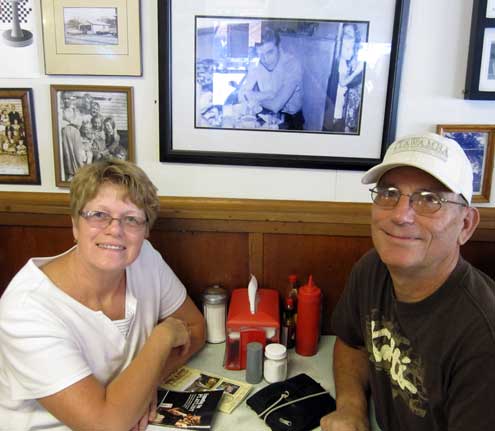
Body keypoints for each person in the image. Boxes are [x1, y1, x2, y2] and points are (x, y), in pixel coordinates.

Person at [0, 159, 206, 430]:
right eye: (98, 215)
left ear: (145, 231)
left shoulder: (144, 258)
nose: (115, 229)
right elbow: (104, 426)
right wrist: (163, 336)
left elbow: (196, 328)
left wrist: (144, 388)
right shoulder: (26, 309)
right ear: (75, 224)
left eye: (131, 219)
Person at [320, 133, 495, 431]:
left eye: (430, 199)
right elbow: (352, 343)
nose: (401, 215)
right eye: (389, 193)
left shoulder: (484, 339)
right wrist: (351, 408)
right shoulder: (372, 269)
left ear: (465, 225)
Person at [238, 27, 304, 130]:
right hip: (265, 116)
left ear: (279, 47)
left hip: (290, 121)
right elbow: (241, 95)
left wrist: (254, 98)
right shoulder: (256, 64)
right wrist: (268, 94)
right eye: (260, 54)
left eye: (270, 52)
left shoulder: (292, 64)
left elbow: (275, 106)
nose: (265, 59)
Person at [323, 23, 364, 133]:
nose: (348, 39)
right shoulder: (341, 58)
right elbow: (342, 82)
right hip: (337, 102)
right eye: (345, 35)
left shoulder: (351, 57)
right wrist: (356, 71)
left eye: (351, 36)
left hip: (346, 103)